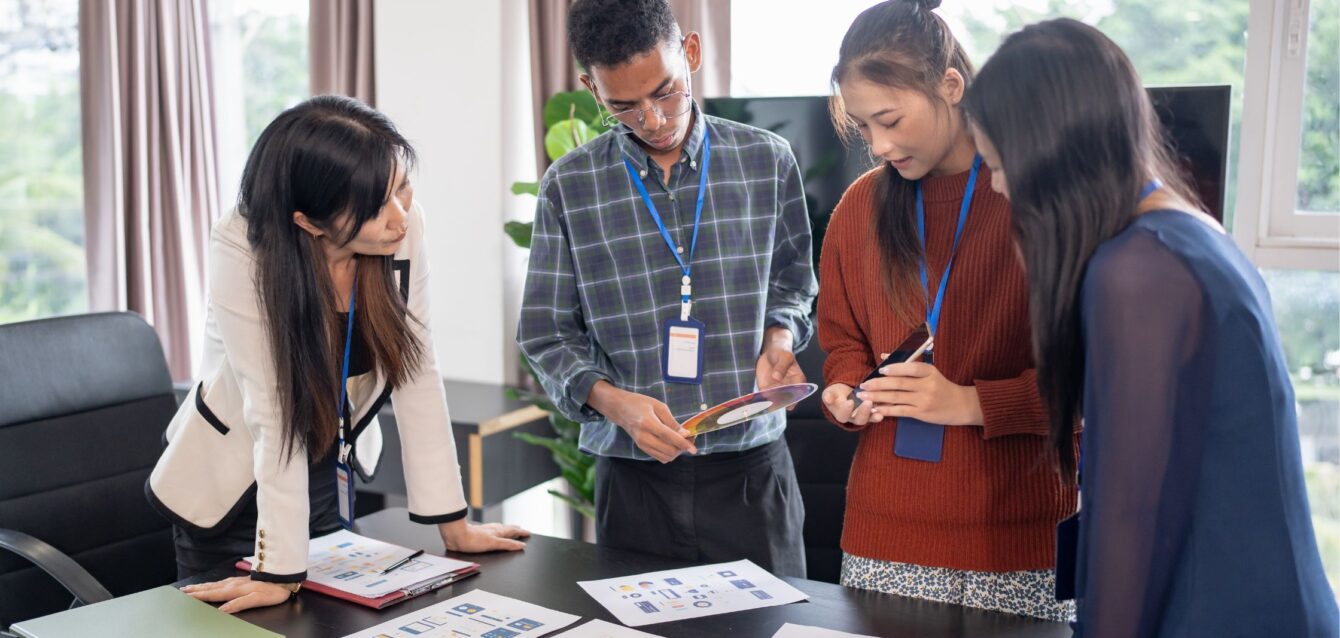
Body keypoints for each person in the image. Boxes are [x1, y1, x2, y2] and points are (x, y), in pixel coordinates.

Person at [963, 18, 1340, 636]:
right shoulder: (1186, 233)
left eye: (999, 167)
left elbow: (1129, 518)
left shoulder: (1138, 273)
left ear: (1050, 160)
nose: (1000, 190)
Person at [147, 95, 529, 613]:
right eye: (376, 206)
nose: (400, 216)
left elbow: (417, 369)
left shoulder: (403, 227)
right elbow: (272, 408)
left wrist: (452, 523)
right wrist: (277, 569)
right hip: (233, 487)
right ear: (309, 222)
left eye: (401, 188)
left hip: (326, 466)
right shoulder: (242, 244)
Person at [517, 0, 817, 577]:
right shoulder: (569, 187)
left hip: (753, 471)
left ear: (693, 55)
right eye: (624, 107)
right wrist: (612, 403)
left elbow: (794, 283)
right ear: (592, 89)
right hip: (635, 483)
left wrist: (780, 339)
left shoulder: (767, 160)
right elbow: (545, 332)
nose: (652, 119)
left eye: (665, 92)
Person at [816, 0, 1076, 621]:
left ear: (951, 87)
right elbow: (843, 339)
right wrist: (844, 388)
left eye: (890, 120)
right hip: (885, 537)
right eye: (863, 127)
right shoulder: (858, 208)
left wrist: (969, 403)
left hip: (1019, 541)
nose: (878, 146)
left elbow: (1095, 384)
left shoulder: (1036, 199)